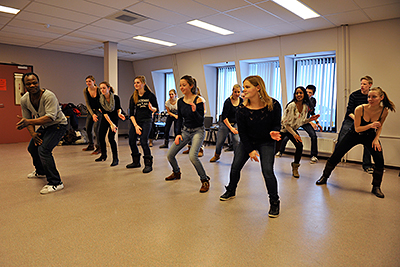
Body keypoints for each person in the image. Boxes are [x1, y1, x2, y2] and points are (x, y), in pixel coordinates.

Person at [219, 75, 282, 218]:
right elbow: (243, 133)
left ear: (258, 87)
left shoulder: (274, 104)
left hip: (266, 141)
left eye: (247, 87)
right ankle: (231, 190)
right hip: (249, 141)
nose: (244, 90)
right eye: (244, 87)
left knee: (267, 171)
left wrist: (274, 131)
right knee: (235, 167)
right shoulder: (241, 109)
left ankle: (274, 202)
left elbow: (276, 124)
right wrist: (250, 150)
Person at [316, 87, 395, 198]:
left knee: (379, 160)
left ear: (381, 98)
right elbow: (358, 128)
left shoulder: (384, 111)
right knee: (337, 154)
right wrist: (371, 125)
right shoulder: (360, 109)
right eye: (369, 97)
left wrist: (376, 139)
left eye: (374, 97)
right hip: (354, 134)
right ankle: (324, 177)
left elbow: (379, 126)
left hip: (370, 136)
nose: (370, 99)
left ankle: (376, 187)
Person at [16, 72, 68, 194]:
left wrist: (28, 121)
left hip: (58, 125)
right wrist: (33, 135)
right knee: (32, 148)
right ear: (25, 86)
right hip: (45, 126)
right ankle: (40, 171)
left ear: (39, 82)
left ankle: (56, 182)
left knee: (44, 150)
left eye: (35, 82)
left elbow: (50, 117)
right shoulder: (24, 99)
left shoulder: (49, 96)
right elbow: (27, 119)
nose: (32, 85)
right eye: (28, 84)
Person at [165, 75, 211, 193]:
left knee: (193, 156)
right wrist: (178, 134)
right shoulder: (180, 101)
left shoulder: (199, 100)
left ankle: (204, 180)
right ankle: (176, 172)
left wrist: (195, 110)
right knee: (170, 155)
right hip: (185, 131)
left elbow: (201, 120)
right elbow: (179, 119)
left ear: (191, 86)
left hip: (198, 131)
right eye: (180, 85)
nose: (181, 87)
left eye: (184, 85)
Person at [275, 86, 320, 178]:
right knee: (276, 149)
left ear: (304, 95)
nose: (298, 95)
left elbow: (301, 122)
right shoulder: (292, 105)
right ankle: (268, 167)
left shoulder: (305, 106)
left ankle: (295, 167)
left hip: (292, 129)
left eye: (300, 93)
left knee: (299, 146)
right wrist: (295, 134)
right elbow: (286, 124)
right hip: (284, 129)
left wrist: (310, 119)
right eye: (297, 93)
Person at [337, 76, 374, 173]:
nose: (362, 86)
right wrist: (358, 120)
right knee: (341, 139)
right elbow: (349, 112)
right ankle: (334, 160)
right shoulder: (354, 95)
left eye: (364, 84)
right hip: (351, 119)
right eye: (361, 84)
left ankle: (367, 165)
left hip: (366, 122)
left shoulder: (372, 97)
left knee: (368, 141)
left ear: (370, 85)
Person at [126, 75, 159, 173]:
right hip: (136, 121)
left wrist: (152, 109)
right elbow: (131, 114)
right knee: (132, 141)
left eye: (138, 82)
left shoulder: (150, 95)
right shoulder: (133, 97)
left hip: (147, 120)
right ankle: (136, 162)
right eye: (135, 83)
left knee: (144, 141)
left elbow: (156, 108)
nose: (135, 84)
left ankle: (148, 164)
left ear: (143, 84)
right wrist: (136, 126)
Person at [94, 81, 125, 166]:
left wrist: (119, 114)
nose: (102, 90)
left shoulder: (115, 98)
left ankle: (115, 159)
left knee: (111, 138)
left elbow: (118, 108)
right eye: (101, 88)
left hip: (114, 119)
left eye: (104, 88)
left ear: (109, 88)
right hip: (106, 119)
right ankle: (103, 155)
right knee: (101, 136)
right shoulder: (100, 99)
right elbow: (104, 113)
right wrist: (110, 123)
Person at [210, 84, 243, 162]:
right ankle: (217, 155)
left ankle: (237, 159)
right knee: (220, 141)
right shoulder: (228, 102)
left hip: (235, 123)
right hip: (226, 123)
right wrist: (231, 128)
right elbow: (224, 117)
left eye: (239, 92)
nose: (237, 94)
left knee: (237, 141)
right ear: (232, 91)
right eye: (235, 92)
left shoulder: (241, 101)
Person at [82, 75, 102, 154]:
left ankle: (99, 147)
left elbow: (102, 100)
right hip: (91, 111)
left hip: (99, 111)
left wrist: (100, 109)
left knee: (96, 129)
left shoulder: (99, 90)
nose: (88, 83)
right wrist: (92, 114)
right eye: (86, 81)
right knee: (88, 128)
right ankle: (91, 144)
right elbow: (87, 103)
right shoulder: (85, 90)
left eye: (89, 81)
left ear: (94, 82)